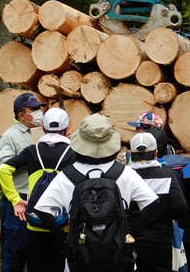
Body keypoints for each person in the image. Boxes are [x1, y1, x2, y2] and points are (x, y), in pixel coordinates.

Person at [34, 113, 161, 271]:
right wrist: (129, 233)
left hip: (79, 259)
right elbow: (152, 204)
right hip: (119, 259)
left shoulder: (66, 176)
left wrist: (64, 237)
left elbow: (41, 209)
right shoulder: (125, 173)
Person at [0, 107, 76, 272]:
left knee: (36, 264)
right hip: (62, 223)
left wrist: (15, 200)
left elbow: (3, 169)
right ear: (67, 129)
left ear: (43, 128)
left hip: (34, 220)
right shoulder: (73, 153)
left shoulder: (32, 151)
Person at [0, 92, 46, 272]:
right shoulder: (11, 136)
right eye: (33, 109)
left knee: (36, 253)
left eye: (39, 108)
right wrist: (15, 200)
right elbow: (2, 169)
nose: (39, 112)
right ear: (21, 115)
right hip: (18, 203)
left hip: (38, 200)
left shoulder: (39, 132)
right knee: (14, 253)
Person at [128, 132, 187, 272]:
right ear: (155, 153)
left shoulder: (124, 176)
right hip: (160, 239)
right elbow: (180, 206)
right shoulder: (167, 175)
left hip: (131, 239)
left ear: (131, 154)